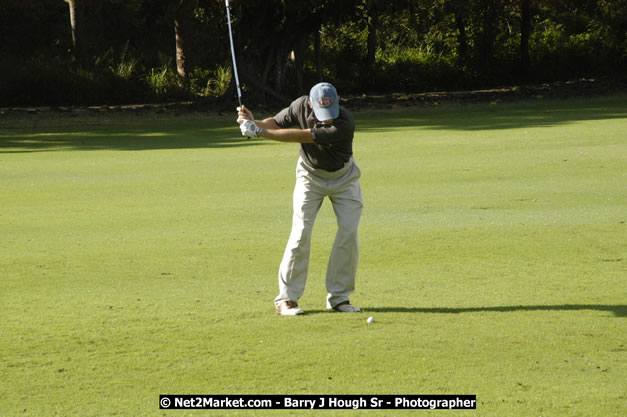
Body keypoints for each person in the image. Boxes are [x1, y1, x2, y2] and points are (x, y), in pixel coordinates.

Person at [237, 82, 364, 315]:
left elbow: (301, 135)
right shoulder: (299, 106)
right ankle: (286, 299)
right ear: (310, 104)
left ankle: (339, 297)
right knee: (301, 231)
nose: (326, 119)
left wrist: (259, 132)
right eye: (321, 113)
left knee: (349, 232)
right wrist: (253, 122)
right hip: (310, 176)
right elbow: (275, 122)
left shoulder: (345, 122)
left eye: (330, 113)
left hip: (344, 179)